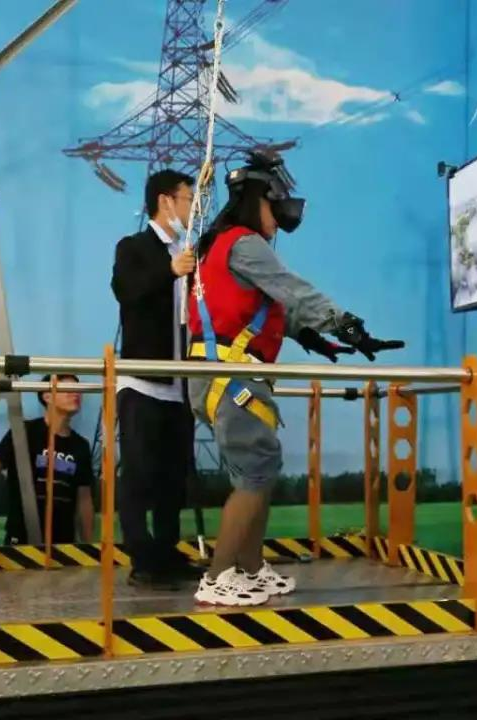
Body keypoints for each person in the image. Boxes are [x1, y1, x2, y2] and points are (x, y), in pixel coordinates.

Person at [186, 151, 403, 606]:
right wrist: (346, 325)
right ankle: (218, 576)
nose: (281, 213)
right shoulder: (245, 243)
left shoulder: (218, 246)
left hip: (220, 371)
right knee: (255, 469)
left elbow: (265, 308)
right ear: (257, 200)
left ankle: (249, 569)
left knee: (259, 468)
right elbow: (294, 290)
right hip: (232, 374)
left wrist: (313, 338)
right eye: (275, 202)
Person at [111, 168, 202, 588]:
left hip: (181, 384)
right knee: (139, 474)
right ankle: (141, 558)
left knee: (173, 477)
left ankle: (167, 553)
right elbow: (127, 290)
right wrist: (170, 270)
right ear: (166, 201)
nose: (192, 208)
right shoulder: (133, 247)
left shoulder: (190, 252)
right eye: (188, 199)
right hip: (143, 381)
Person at [0, 374, 95, 545]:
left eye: (78, 390)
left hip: (64, 544)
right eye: (68, 389)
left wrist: (89, 546)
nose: (76, 394)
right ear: (47, 396)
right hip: (21, 537)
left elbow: (84, 499)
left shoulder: (81, 445)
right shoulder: (23, 431)